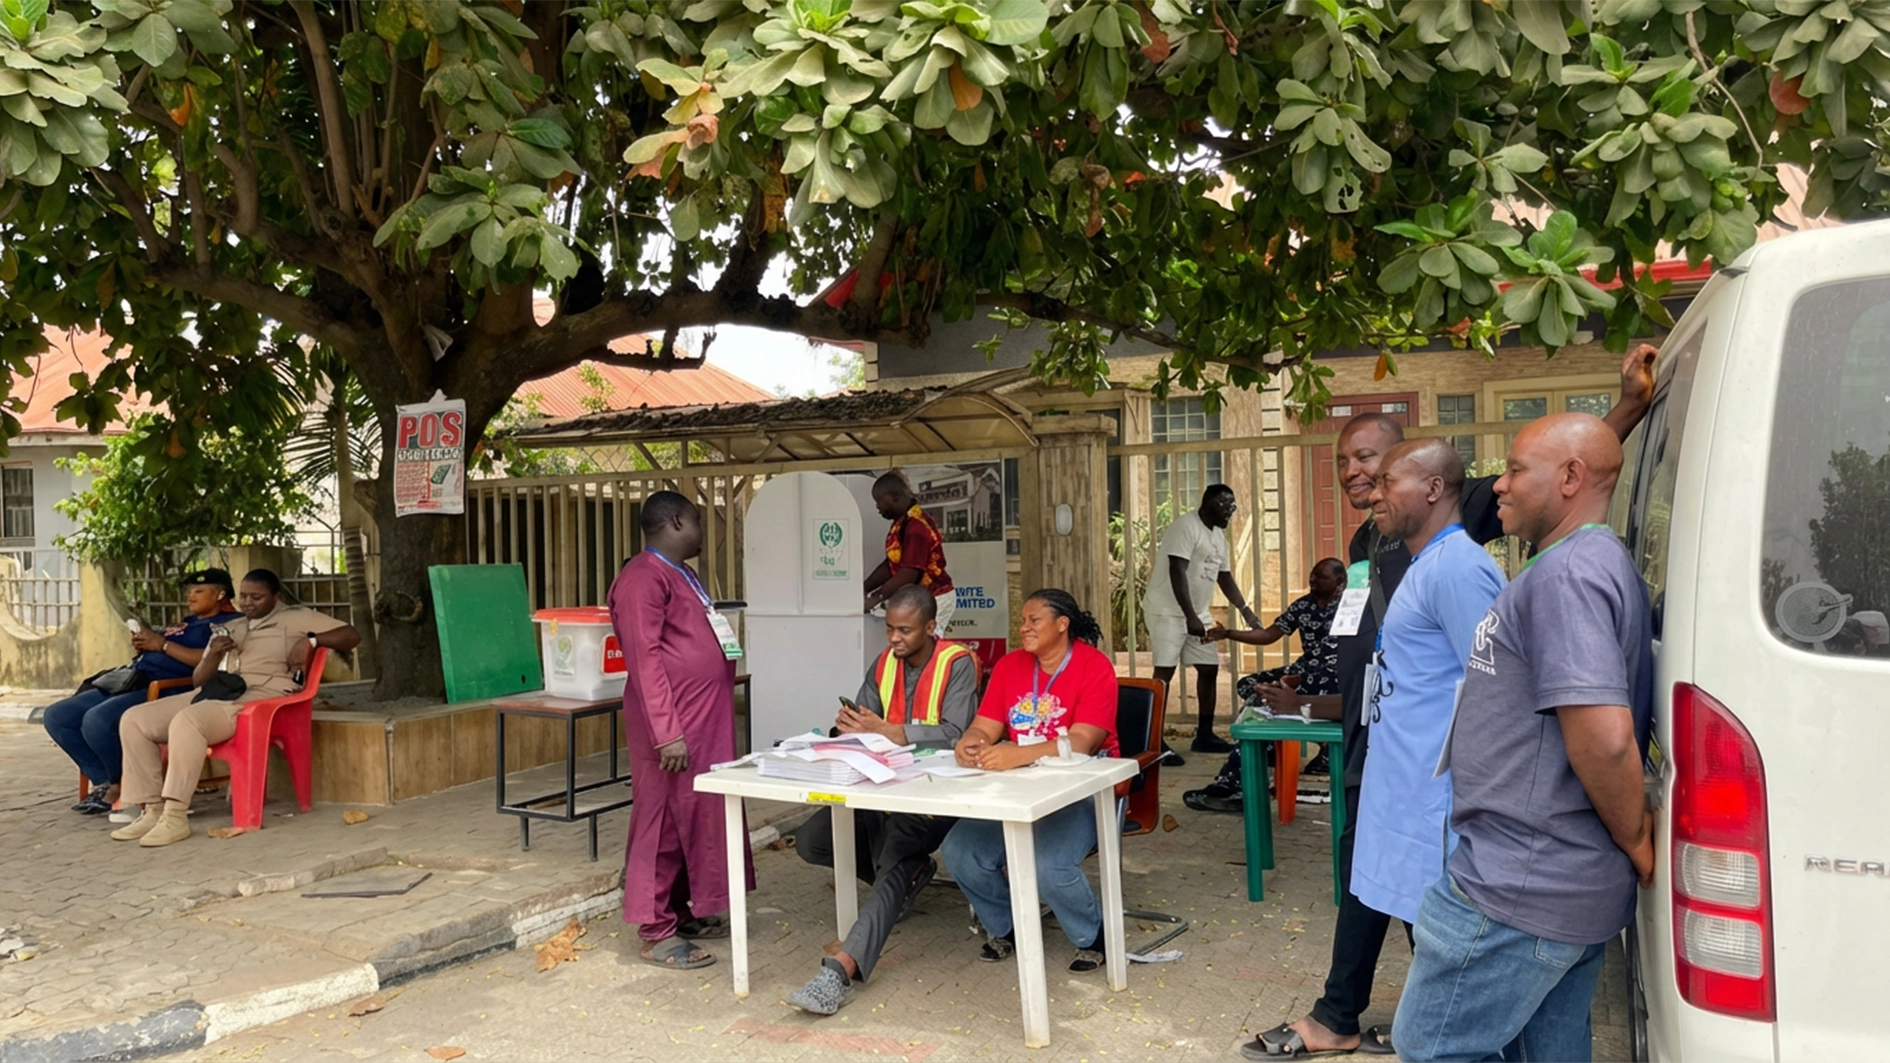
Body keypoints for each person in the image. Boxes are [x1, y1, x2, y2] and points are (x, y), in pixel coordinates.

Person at [1242, 344, 1657, 1060]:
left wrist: (1634, 836)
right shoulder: (1393, 540)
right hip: (1419, 781)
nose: (1362, 481)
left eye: (1376, 466)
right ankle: (1340, 1008)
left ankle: (1343, 1010)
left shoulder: (1506, 563)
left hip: (1510, 858)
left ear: (1429, 484)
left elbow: (1533, 702)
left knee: (1431, 1035)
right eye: (1348, 465)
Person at [1393, 414, 1654, 1063]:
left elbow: (1607, 737)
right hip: (1554, 881)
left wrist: (1638, 838)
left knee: (1430, 1047)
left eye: (1514, 469)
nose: (1498, 486)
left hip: (1518, 889)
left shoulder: (1567, 578)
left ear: (1569, 478)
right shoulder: (1584, 560)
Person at [785, 584, 980, 1016]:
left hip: (935, 793)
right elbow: (865, 723)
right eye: (890, 629)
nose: (894, 639)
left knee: (896, 851)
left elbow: (956, 732)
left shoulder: (958, 664)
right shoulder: (883, 664)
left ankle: (841, 968)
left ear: (931, 627)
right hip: (880, 784)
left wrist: (890, 731)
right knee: (814, 839)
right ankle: (900, 882)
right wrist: (848, 727)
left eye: (905, 631)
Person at [1350, 439, 1504, 928]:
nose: (1374, 495)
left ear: (1434, 488)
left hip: (1438, 806)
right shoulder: (1426, 566)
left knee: (1440, 936)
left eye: (1388, 483)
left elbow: (1496, 690)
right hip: (1408, 791)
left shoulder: (1458, 569)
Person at [940, 588, 1121, 973]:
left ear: (1062, 624)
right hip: (1017, 788)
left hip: (1081, 791)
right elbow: (984, 726)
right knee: (960, 851)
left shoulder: (1094, 667)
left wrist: (1016, 755)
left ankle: (1093, 937)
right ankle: (1008, 927)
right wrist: (970, 742)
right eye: (1022, 621)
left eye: (1033, 620)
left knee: (1049, 865)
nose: (1023, 628)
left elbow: (1083, 743)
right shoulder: (1009, 666)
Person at [112, 569, 360, 848]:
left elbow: (351, 635)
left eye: (257, 597)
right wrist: (214, 653)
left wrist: (312, 640)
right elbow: (198, 681)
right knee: (135, 719)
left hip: (260, 698)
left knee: (188, 720)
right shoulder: (234, 626)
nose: (249, 603)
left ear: (276, 597)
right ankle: (153, 810)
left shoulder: (297, 617)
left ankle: (175, 816)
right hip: (217, 691)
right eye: (244, 597)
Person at [611, 491, 750, 970]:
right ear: (675, 521)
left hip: (703, 717)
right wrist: (666, 731)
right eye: (695, 519)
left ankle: (684, 908)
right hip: (672, 724)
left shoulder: (682, 574)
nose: (701, 528)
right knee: (662, 820)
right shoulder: (641, 579)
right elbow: (644, 658)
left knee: (699, 811)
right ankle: (656, 928)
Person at [44, 568, 240, 815]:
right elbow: (158, 645)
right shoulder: (187, 622)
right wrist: (144, 644)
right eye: (189, 591)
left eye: (199, 591)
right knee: (57, 716)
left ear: (221, 594)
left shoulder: (229, 624)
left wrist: (163, 645)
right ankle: (108, 781)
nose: (190, 596)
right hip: (133, 679)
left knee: (97, 720)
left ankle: (118, 788)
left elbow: (209, 660)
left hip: (167, 688)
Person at [1184, 557, 1345, 814]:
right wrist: (1228, 634)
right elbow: (1269, 635)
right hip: (1305, 670)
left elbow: (1339, 655)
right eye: (1312, 576)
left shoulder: (1351, 607)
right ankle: (1265, 751)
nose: (1313, 581)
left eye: (1321, 578)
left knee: (1268, 698)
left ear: (1340, 581)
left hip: (1335, 677)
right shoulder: (1304, 604)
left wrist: (1295, 680)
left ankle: (1234, 785)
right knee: (1251, 685)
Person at [1142, 485, 1265, 754]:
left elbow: (1225, 576)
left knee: (1208, 668)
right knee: (1164, 672)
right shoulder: (1185, 527)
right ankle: (1152, 741)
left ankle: (1205, 735)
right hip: (1167, 611)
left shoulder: (1219, 536)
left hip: (1196, 613)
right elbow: (1177, 569)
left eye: (1232, 506)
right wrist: (1189, 616)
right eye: (1225, 504)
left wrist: (1246, 611)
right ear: (1208, 502)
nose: (1230, 510)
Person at [863, 471, 956, 632]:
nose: (877, 507)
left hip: (934, 598)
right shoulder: (902, 522)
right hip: (919, 598)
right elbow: (891, 565)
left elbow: (909, 572)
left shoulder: (916, 527)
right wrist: (865, 588)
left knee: (925, 647)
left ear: (895, 497)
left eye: (879, 501)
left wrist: (877, 597)